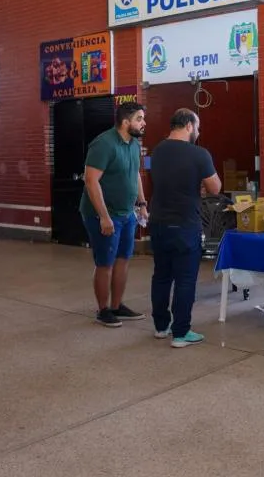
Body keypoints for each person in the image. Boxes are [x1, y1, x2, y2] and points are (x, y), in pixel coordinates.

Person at [148, 108, 221, 348]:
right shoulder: (199, 154)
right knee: (185, 280)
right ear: (189, 125)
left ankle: (161, 327)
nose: (198, 132)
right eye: (197, 127)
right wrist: (201, 180)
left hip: (158, 223)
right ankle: (181, 332)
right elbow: (215, 188)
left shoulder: (157, 151)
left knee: (161, 276)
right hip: (184, 225)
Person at [80, 101, 148, 327]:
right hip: (103, 215)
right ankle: (103, 310)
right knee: (105, 263)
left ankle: (117, 306)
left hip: (127, 214)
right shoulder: (103, 144)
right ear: (126, 122)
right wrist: (104, 216)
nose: (143, 123)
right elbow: (91, 182)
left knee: (123, 261)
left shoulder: (134, 145)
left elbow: (135, 175)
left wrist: (141, 203)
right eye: (139, 118)